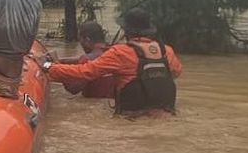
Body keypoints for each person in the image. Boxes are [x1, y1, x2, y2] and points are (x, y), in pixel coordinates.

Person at [41, 8, 183, 117]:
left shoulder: (119, 53)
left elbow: (85, 72)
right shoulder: (167, 51)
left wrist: (49, 67)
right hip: (166, 114)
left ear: (125, 30)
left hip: (131, 119)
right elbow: (176, 72)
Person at [59, 21, 115, 99]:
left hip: (94, 105)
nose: (80, 44)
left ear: (87, 39)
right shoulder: (115, 53)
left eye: (80, 40)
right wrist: (64, 61)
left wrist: (57, 67)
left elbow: (73, 88)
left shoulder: (87, 59)